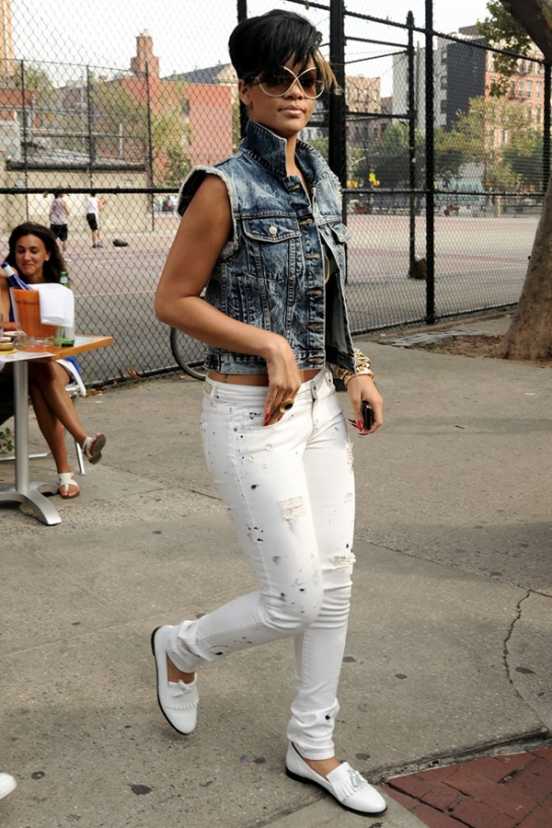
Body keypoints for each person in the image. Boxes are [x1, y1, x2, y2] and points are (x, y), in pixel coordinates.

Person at [153, 9, 386, 818]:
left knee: (335, 582)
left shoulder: (324, 179)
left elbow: (329, 296)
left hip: (320, 408)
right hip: (248, 412)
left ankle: (312, 743)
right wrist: (267, 344)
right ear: (246, 88)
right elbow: (173, 299)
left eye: (309, 79)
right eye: (278, 78)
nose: (296, 92)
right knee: (292, 596)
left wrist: (354, 369)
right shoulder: (222, 187)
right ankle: (181, 648)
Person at [0, 223, 106, 497]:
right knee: (37, 370)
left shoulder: (59, 285)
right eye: (20, 250)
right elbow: (3, 324)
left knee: (41, 372)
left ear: (47, 254)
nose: (26, 257)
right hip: (13, 362)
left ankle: (68, 468)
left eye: (34, 251)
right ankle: (78, 450)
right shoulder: (5, 282)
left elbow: (62, 334)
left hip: (56, 360)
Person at [48, 190, 70, 254]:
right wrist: (65, 215)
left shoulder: (54, 201)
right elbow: (68, 212)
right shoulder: (63, 201)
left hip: (54, 223)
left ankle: (54, 252)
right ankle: (64, 254)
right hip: (63, 222)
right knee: (64, 239)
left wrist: (50, 218)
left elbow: (50, 212)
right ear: (60, 194)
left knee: (53, 239)